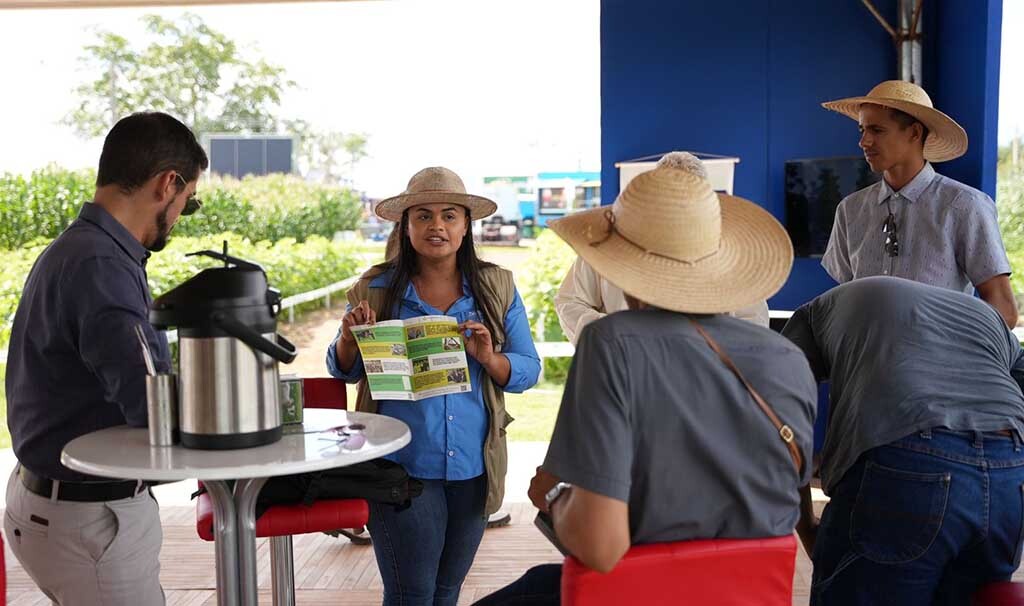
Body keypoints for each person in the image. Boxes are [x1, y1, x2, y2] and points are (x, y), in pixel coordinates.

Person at [475, 158, 817, 605]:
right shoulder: (788, 359)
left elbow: (599, 546)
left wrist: (554, 495)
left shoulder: (612, 342)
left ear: (620, 266)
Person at [4, 112, 207, 605]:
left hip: (50, 503)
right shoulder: (102, 264)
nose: (182, 214)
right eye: (190, 201)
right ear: (168, 184)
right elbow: (152, 403)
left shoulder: (82, 249)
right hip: (89, 522)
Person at [326, 166, 540, 606]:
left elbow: (528, 368)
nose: (436, 226)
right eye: (422, 215)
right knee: (412, 595)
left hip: (474, 468)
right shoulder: (375, 288)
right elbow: (342, 369)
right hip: (399, 468)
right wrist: (350, 338)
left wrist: (489, 358)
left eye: (449, 215)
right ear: (405, 227)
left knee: (446, 592)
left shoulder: (497, 286)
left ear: (466, 226)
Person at [782, 276, 1024, 605]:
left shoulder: (812, 315)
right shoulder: (982, 314)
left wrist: (805, 523)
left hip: (909, 461)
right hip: (1010, 473)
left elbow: (782, 419)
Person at [820, 80, 1017, 327]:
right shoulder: (850, 210)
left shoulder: (964, 205)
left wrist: (952, 350)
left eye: (877, 130)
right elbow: (848, 301)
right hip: (865, 362)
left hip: (940, 361)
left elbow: (1004, 311)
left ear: (914, 132)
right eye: (862, 130)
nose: (864, 142)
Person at [555, 152, 769, 343]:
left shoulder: (731, 254)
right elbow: (569, 302)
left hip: (706, 376)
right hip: (624, 369)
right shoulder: (606, 245)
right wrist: (617, 333)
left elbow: (755, 324)